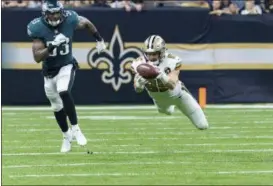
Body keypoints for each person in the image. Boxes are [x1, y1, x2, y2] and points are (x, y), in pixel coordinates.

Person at [27, 0, 106, 152]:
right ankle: (66, 135)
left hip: (66, 64)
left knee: (63, 90)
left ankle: (76, 129)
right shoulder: (37, 27)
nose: (55, 16)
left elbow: (87, 23)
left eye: (57, 12)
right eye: (52, 13)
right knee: (56, 106)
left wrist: (99, 39)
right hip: (49, 71)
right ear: (45, 14)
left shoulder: (70, 18)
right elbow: (37, 58)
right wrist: (51, 46)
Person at [131, 35, 209, 130]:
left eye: (154, 54)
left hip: (178, 96)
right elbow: (138, 90)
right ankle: (169, 107)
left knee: (203, 126)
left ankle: (178, 105)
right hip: (158, 99)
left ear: (162, 52)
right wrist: (139, 84)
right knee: (167, 112)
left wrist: (161, 76)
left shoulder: (172, 61)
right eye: (148, 54)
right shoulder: (138, 64)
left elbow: (172, 85)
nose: (151, 57)